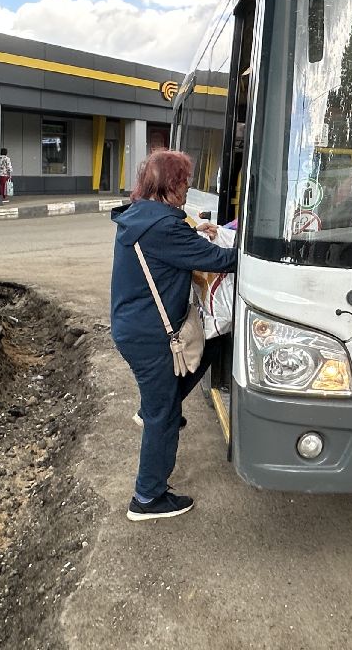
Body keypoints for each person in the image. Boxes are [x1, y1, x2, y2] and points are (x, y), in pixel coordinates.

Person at [109, 149, 237, 521]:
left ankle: (151, 408)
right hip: (150, 335)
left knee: (210, 347)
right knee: (163, 414)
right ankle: (148, 497)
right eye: (184, 181)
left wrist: (197, 233)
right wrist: (258, 249)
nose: (188, 188)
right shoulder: (164, 227)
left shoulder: (142, 215)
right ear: (168, 185)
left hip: (134, 326)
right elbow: (219, 261)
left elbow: (174, 246)